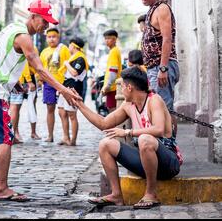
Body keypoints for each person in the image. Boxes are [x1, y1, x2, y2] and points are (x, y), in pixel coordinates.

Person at [0, 0, 80, 202]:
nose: (46, 26)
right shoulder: (24, 37)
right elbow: (39, 68)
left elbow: (0, 57)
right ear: (33, 17)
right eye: (44, 21)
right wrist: (63, 90)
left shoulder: (11, 28)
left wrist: (14, 83)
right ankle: (1, 188)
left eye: (48, 22)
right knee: (5, 138)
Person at [73, 67, 182, 209]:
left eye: (122, 86)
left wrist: (127, 132)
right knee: (105, 144)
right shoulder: (128, 105)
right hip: (146, 162)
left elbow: (159, 129)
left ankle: (151, 193)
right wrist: (80, 105)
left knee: (145, 139)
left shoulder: (154, 100)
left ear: (129, 87)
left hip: (169, 163)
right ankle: (116, 195)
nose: (121, 89)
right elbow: (103, 123)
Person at [137, 0, 179, 132]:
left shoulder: (162, 8)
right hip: (155, 67)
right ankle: (164, 147)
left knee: (164, 109)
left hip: (161, 67)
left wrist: (163, 68)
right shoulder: (152, 9)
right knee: (159, 109)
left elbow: (167, 39)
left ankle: (170, 149)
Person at [39, 28, 70, 142]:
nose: (51, 39)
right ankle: (50, 136)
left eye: (54, 36)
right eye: (49, 37)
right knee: (50, 109)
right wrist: (39, 79)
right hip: (48, 84)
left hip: (62, 83)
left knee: (63, 111)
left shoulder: (64, 49)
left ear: (58, 37)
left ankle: (66, 136)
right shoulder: (44, 52)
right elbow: (40, 68)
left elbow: (68, 64)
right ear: (46, 38)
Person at [57, 37, 89, 146]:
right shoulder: (73, 57)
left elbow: (75, 73)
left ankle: (73, 140)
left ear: (74, 46)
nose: (68, 47)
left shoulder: (80, 58)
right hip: (65, 87)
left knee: (72, 114)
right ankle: (65, 137)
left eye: (70, 45)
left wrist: (66, 64)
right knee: (62, 112)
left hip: (73, 89)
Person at [9, 50, 41, 144]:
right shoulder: (24, 43)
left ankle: (17, 134)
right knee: (15, 107)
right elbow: (24, 64)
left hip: (16, 78)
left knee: (26, 106)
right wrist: (29, 81)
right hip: (22, 80)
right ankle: (13, 135)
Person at [101, 29, 122, 113]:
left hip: (112, 87)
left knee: (112, 110)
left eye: (109, 38)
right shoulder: (114, 51)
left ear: (114, 39)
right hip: (113, 87)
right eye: (105, 38)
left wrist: (108, 86)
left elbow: (113, 71)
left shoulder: (113, 52)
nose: (106, 41)